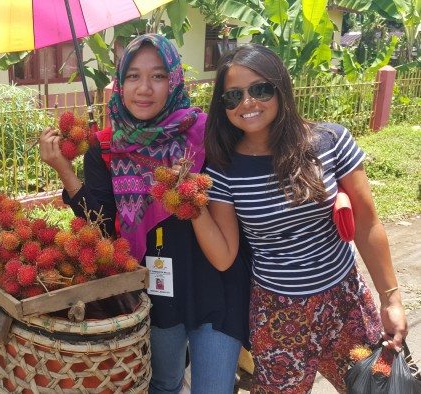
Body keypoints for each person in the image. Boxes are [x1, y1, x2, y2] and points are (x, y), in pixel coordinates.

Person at [40, 33, 250, 394]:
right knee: (163, 385)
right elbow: (102, 227)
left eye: (158, 76)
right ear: (120, 84)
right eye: (133, 76)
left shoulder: (209, 136)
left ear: (174, 80)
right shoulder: (105, 148)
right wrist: (64, 170)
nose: (144, 88)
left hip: (217, 285)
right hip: (155, 292)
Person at [192, 43, 408, 393]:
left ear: (281, 88)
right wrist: (193, 207)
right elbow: (224, 255)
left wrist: (391, 300)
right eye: (233, 97)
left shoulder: (330, 141)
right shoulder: (225, 169)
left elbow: (368, 224)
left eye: (260, 89)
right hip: (277, 315)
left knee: (378, 389)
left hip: (344, 303)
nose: (247, 103)